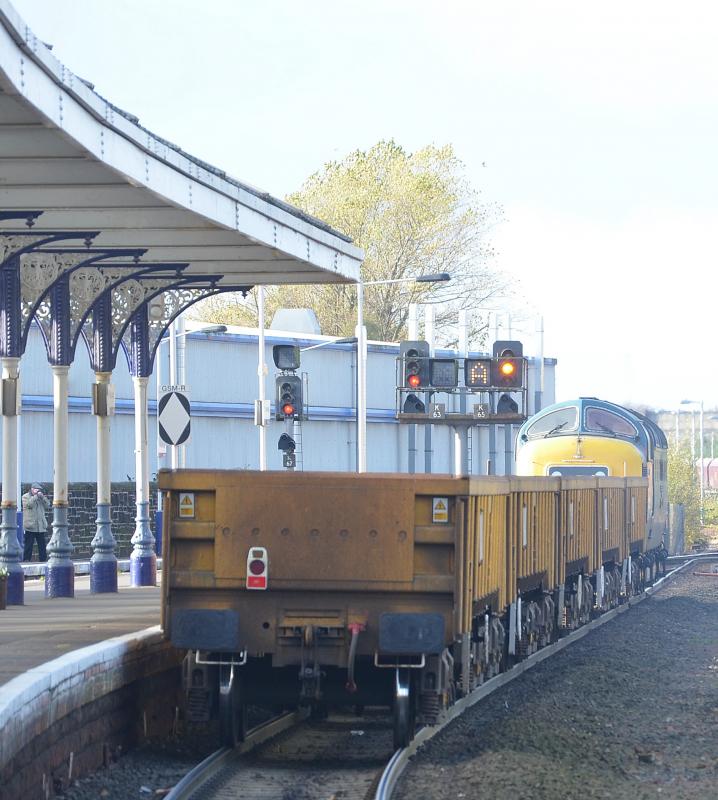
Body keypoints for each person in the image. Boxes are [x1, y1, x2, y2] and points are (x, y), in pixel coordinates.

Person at [22, 482, 50, 562]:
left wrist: (43, 498)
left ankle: (43, 559)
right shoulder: (25, 497)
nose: (38, 491)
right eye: (37, 489)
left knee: (42, 545)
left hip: (40, 525)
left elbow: (48, 505)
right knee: (29, 545)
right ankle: (26, 560)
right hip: (30, 525)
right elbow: (29, 505)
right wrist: (35, 497)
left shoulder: (40, 498)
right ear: (32, 489)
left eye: (39, 490)